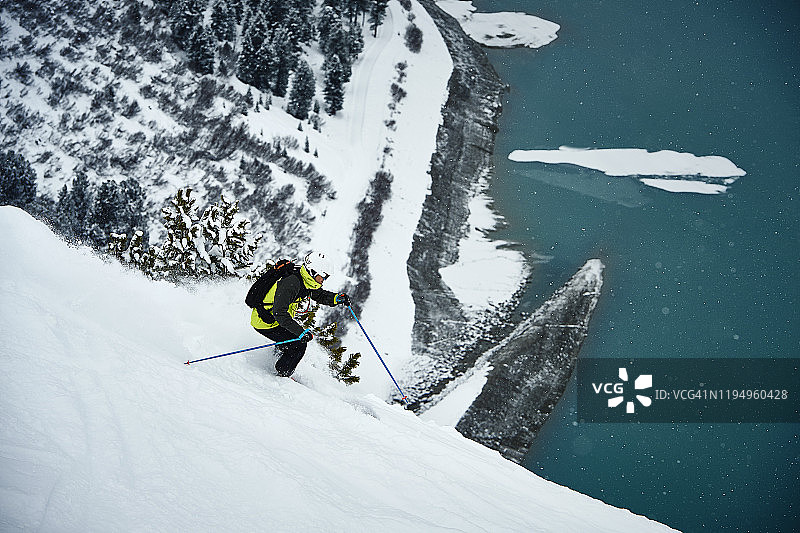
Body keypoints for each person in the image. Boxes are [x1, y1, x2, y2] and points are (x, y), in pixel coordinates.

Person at [251, 252, 351, 377]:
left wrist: (336, 298)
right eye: (323, 276)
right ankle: (282, 374)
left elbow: (318, 294)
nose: (324, 280)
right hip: (265, 321)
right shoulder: (291, 284)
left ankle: (275, 360)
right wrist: (300, 332)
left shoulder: (305, 279)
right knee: (298, 344)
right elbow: (279, 313)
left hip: (274, 318)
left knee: (289, 341)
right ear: (313, 272)